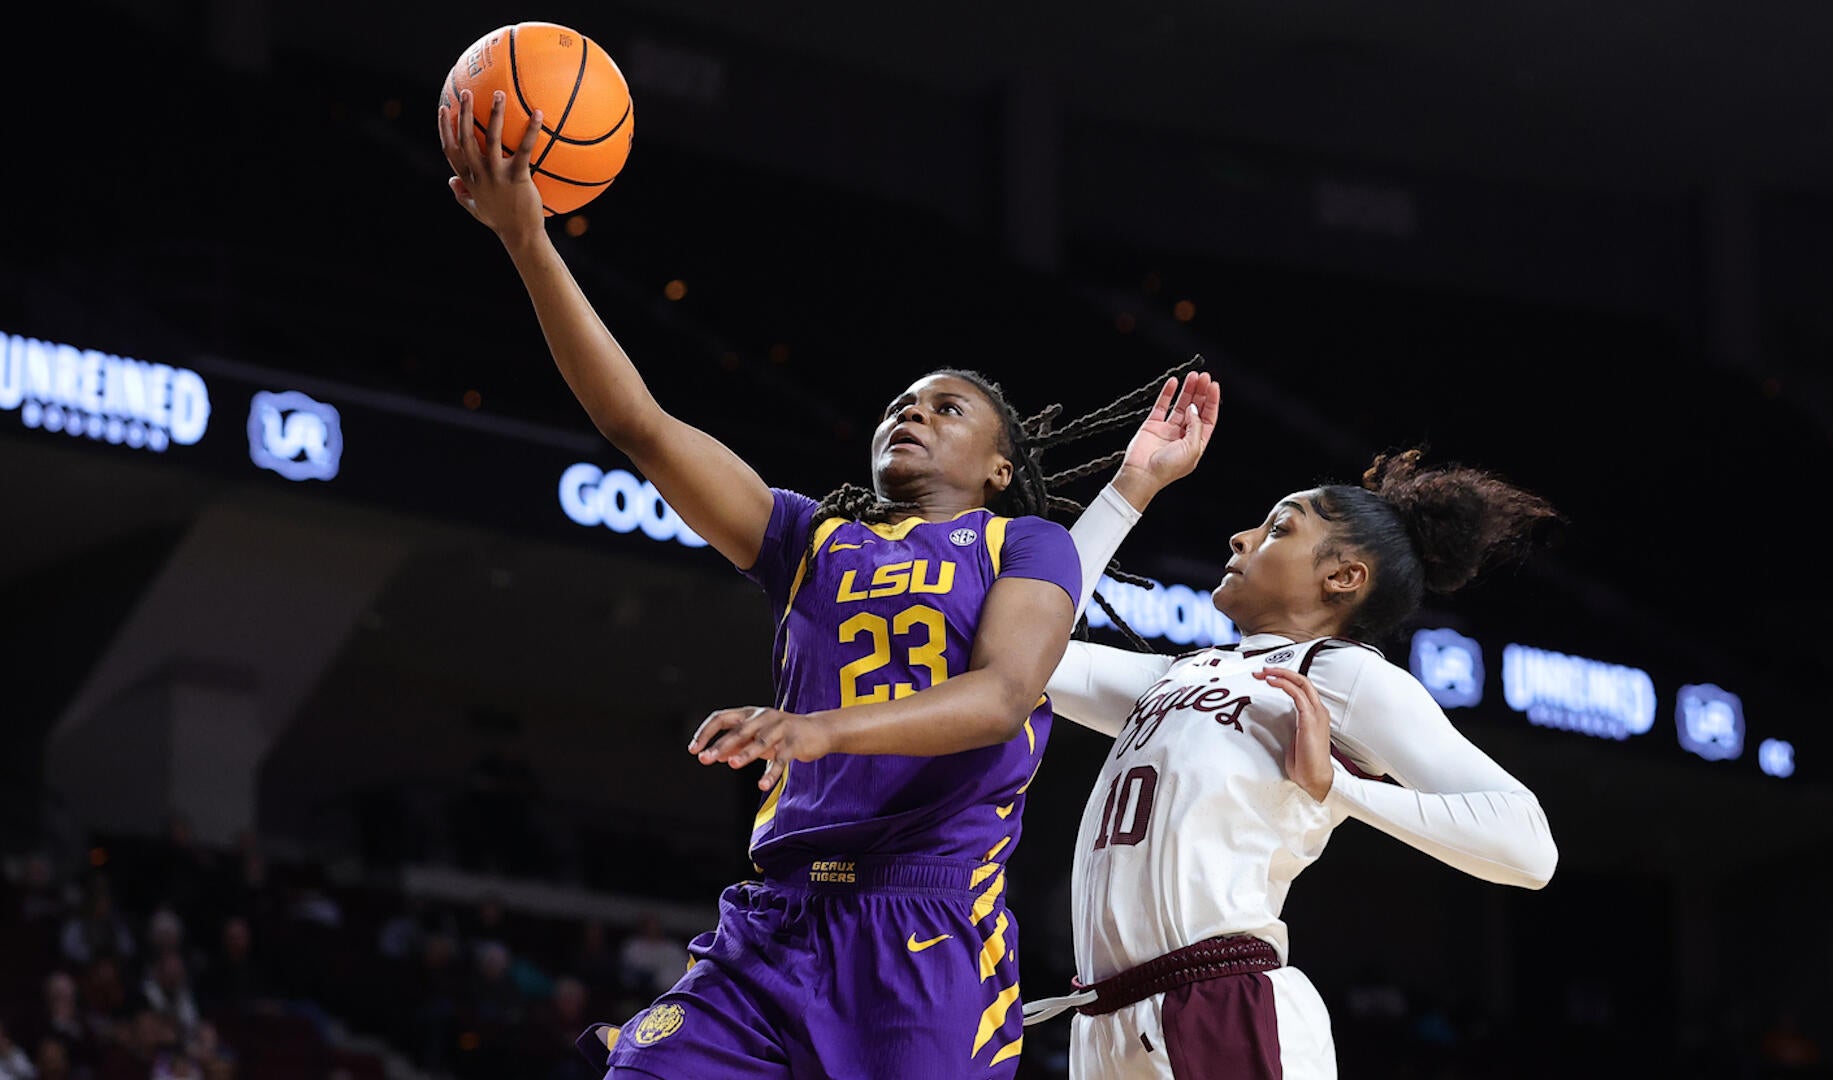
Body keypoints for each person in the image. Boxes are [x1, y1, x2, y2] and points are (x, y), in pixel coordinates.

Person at [436, 86, 1218, 1079]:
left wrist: (820, 729)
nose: (914, 413)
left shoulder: (1024, 546)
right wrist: (527, 242)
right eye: (903, 403)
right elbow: (638, 422)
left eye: (948, 408)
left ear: (997, 468)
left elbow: (1004, 696)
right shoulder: (806, 538)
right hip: (779, 923)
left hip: (928, 930)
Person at [1024, 445, 1563, 1079]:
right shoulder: (1180, 674)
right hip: (1103, 1020)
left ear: (1343, 577)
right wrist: (1132, 487)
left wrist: (1337, 788)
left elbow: (1528, 847)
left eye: (1279, 528)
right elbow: (1024, 647)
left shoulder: (1342, 673)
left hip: (1222, 1002)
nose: (1242, 536)